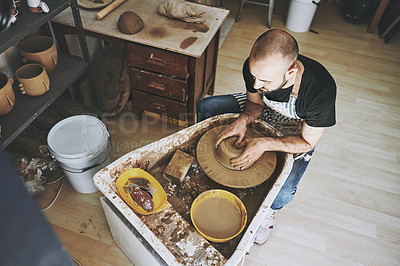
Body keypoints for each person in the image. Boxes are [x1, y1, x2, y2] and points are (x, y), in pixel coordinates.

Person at [197, 29, 336, 245]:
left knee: (284, 191)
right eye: (253, 76)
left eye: (264, 81)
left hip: (297, 128)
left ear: (290, 73)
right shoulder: (256, 70)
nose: (255, 84)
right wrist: (243, 119)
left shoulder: (320, 91)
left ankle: (267, 213)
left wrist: (265, 143)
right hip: (264, 109)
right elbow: (254, 102)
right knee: (207, 106)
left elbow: (308, 142)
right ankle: (203, 165)